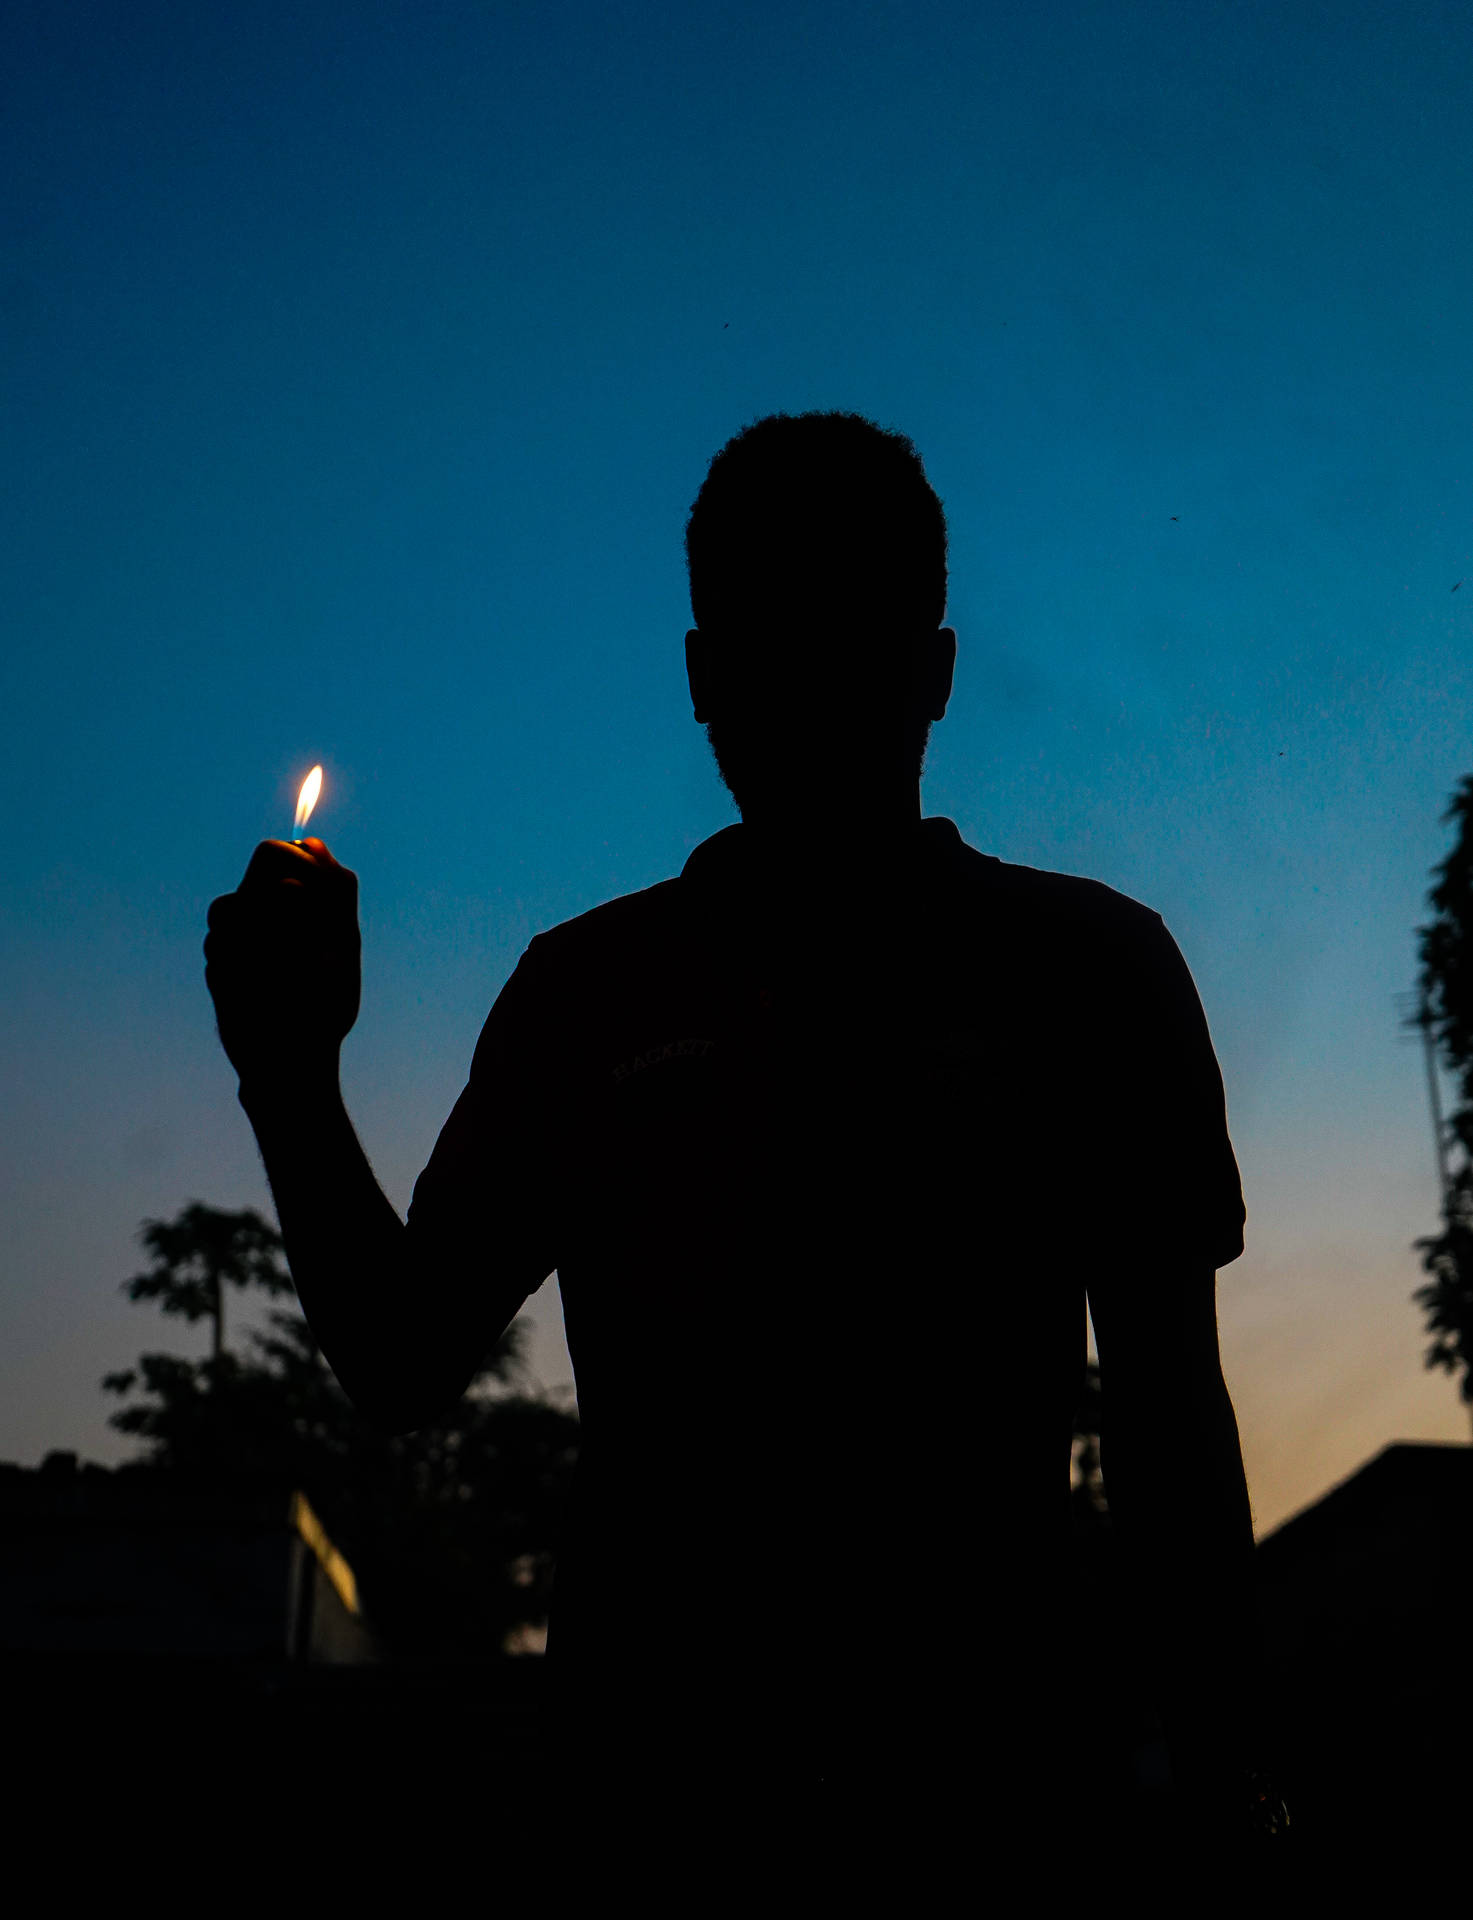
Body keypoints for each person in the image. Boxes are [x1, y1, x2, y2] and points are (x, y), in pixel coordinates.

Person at [204, 410, 1289, 1881]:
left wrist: (290, 1077)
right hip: (815, 1808)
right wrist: (286, 1074)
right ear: (938, 676)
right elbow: (1171, 1443)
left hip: (862, 1805)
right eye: (789, 643)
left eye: (838, 639)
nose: (812, 691)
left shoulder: (622, 994)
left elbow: (1175, 1445)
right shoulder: (1067, 970)